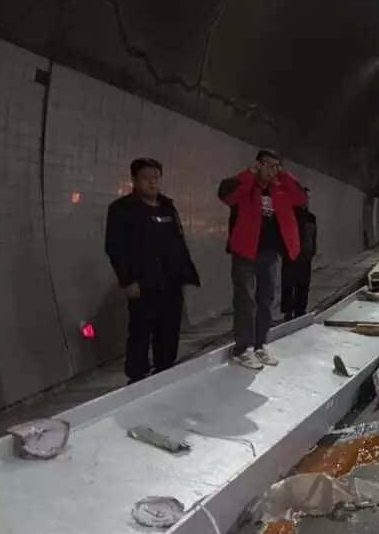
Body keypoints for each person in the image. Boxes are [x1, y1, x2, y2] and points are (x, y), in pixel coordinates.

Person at [104, 158, 201, 383]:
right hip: (143, 282)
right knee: (140, 330)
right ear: (135, 180)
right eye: (146, 178)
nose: (152, 183)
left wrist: (185, 273)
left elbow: (178, 242)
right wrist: (127, 280)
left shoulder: (168, 207)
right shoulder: (122, 209)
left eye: (156, 178)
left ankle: (165, 371)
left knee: (169, 330)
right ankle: (137, 377)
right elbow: (114, 248)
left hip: (171, 281)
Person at [218, 149, 305, 370]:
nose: (271, 170)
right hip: (245, 252)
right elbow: (227, 195)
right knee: (246, 301)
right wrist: (250, 174)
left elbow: (300, 197)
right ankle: (242, 349)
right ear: (257, 165)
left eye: (276, 165)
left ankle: (260, 345)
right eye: (267, 164)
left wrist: (283, 175)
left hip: (269, 253)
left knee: (266, 300)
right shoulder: (245, 186)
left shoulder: (280, 189)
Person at [280, 187, 318, 321]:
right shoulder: (290, 215)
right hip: (291, 255)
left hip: (306, 255)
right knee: (289, 284)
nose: (307, 201)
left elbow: (313, 236)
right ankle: (289, 311)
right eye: (304, 197)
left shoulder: (311, 217)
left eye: (308, 198)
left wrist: (312, 251)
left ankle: (300, 310)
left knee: (303, 284)